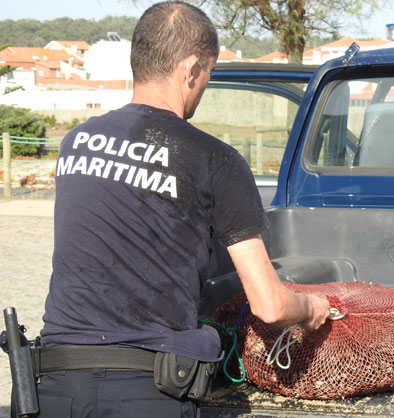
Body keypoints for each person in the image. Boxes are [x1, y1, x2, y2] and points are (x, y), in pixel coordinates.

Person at [33, 2, 330, 417]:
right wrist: (312, 308)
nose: (205, 84)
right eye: (208, 72)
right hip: (146, 390)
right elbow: (270, 306)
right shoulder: (214, 159)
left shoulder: (76, 142)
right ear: (191, 69)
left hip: (57, 385)